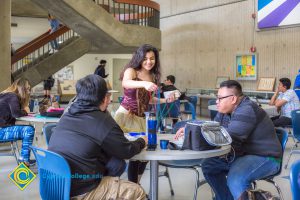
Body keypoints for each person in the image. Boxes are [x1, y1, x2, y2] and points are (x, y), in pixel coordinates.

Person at [48, 74, 146, 200]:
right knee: (137, 191)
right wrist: (141, 141)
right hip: (80, 190)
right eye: (108, 96)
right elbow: (126, 151)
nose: (110, 100)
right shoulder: (102, 121)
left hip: (55, 185)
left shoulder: (68, 114)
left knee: (116, 164)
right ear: (105, 98)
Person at [191, 80, 281, 200]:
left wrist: (197, 134)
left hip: (265, 157)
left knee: (236, 178)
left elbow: (227, 137)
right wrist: (191, 127)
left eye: (220, 98)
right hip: (242, 154)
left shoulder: (246, 109)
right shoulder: (225, 110)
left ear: (233, 99)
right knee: (209, 165)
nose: (217, 102)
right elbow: (213, 126)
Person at [114, 44, 174, 183]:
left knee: (143, 155)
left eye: (152, 58)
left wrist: (166, 100)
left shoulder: (152, 76)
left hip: (141, 119)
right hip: (125, 116)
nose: (148, 62)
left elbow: (149, 99)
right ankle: (130, 188)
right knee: (129, 153)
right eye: (145, 58)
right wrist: (144, 84)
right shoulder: (132, 71)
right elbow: (126, 83)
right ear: (139, 58)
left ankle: (136, 186)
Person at [0, 78, 35, 166]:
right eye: (27, 89)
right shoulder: (12, 96)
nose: (29, 92)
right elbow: (16, 114)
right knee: (29, 130)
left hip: (2, 129)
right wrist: (26, 111)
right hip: (1, 131)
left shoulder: (4, 94)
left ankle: (24, 159)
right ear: (21, 88)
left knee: (28, 129)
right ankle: (24, 161)